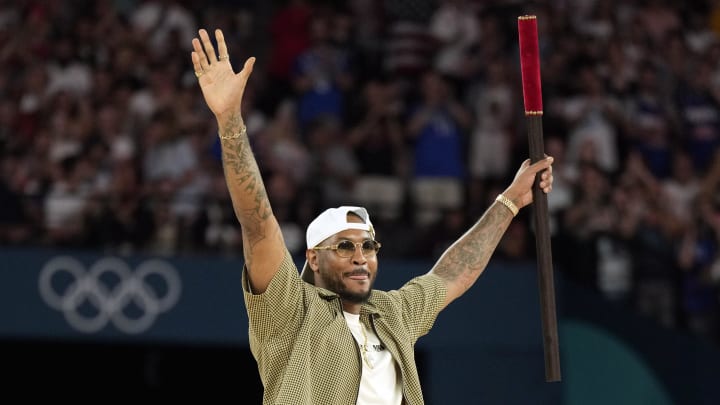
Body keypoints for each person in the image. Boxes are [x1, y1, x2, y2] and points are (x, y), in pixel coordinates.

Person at [191, 28, 554, 405]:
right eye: (344, 246)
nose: (360, 256)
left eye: (368, 246)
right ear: (313, 257)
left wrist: (510, 200)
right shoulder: (290, 311)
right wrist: (230, 121)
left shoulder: (394, 313)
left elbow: (452, 272)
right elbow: (257, 223)